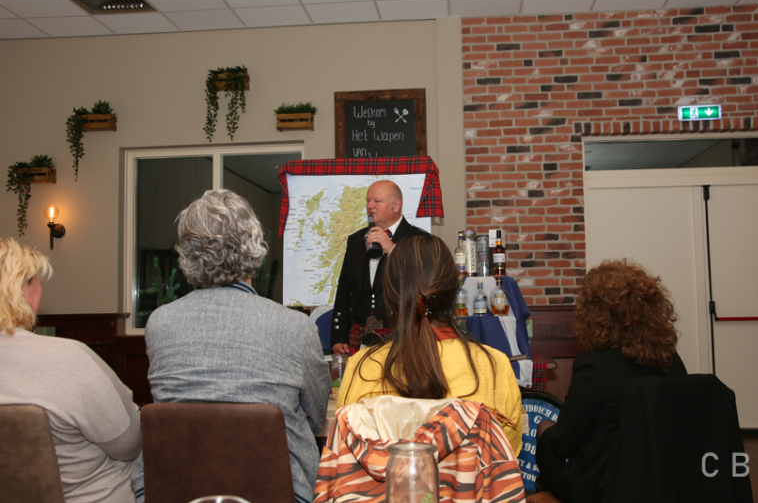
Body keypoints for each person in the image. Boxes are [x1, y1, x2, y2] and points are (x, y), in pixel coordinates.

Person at [145, 189, 331, 503]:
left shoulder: (159, 323)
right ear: (253, 246)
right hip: (281, 490)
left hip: (176, 488)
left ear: (187, 253)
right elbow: (317, 415)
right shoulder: (294, 326)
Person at [336, 234, 523, 454]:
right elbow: (506, 452)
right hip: (468, 477)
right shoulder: (495, 366)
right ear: (453, 291)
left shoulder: (361, 367)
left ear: (391, 296)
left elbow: (346, 447)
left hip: (386, 477)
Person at [0, 237, 142, 503]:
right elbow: (129, 443)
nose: (41, 292)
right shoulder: (68, 357)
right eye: (38, 283)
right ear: (21, 289)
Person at [535, 259, 688, 503]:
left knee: (545, 428)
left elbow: (564, 444)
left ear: (594, 315)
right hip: (662, 481)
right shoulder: (671, 360)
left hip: (602, 489)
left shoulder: (595, 367)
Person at [331, 179, 428, 355]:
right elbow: (345, 289)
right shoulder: (356, 240)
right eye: (368, 201)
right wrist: (339, 335)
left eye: (377, 201)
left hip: (402, 333)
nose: (370, 206)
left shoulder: (419, 239)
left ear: (396, 205)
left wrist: (393, 250)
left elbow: (423, 284)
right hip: (360, 332)